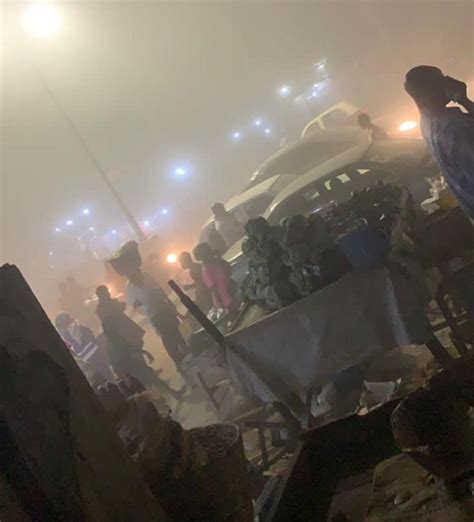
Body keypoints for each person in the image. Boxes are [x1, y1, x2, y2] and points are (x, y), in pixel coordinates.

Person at [405, 65, 474, 219]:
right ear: (428, 93)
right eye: (440, 81)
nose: (447, 82)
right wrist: (464, 100)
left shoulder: (428, 121)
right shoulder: (452, 127)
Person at [95, 285, 184, 399]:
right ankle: (165, 393)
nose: (108, 294)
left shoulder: (111, 316)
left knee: (146, 372)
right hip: (127, 352)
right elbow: (117, 312)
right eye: (105, 292)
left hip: (128, 338)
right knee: (145, 376)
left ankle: (163, 392)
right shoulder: (102, 312)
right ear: (100, 295)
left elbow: (122, 307)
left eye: (107, 291)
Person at [126, 268, 188, 371]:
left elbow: (161, 292)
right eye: (137, 276)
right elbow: (135, 306)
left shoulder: (148, 279)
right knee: (168, 340)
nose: (140, 277)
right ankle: (179, 362)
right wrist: (147, 310)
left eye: (140, 274)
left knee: (178, 333)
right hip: (155, 317)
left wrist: (171, 304)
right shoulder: (131, 289)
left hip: (165, 310)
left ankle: (188, 355)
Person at [55, 312, 113, 381]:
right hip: (99, 361)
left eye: (59, 326)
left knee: (105, 380)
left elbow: (79, 351)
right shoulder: (80, 329)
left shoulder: (70, 334)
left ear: (64, 325)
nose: (59, 329)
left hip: (93, 364)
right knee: (109, 380)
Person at [193, 242, 236, 311]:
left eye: (209, 250)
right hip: (226, 301)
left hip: (232, 294)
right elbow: (214, 290)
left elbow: (229, 270)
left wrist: (219, 259)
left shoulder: (217, 262)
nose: (210, 252)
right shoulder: (206, 270)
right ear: (203, 256)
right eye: (208, 251)